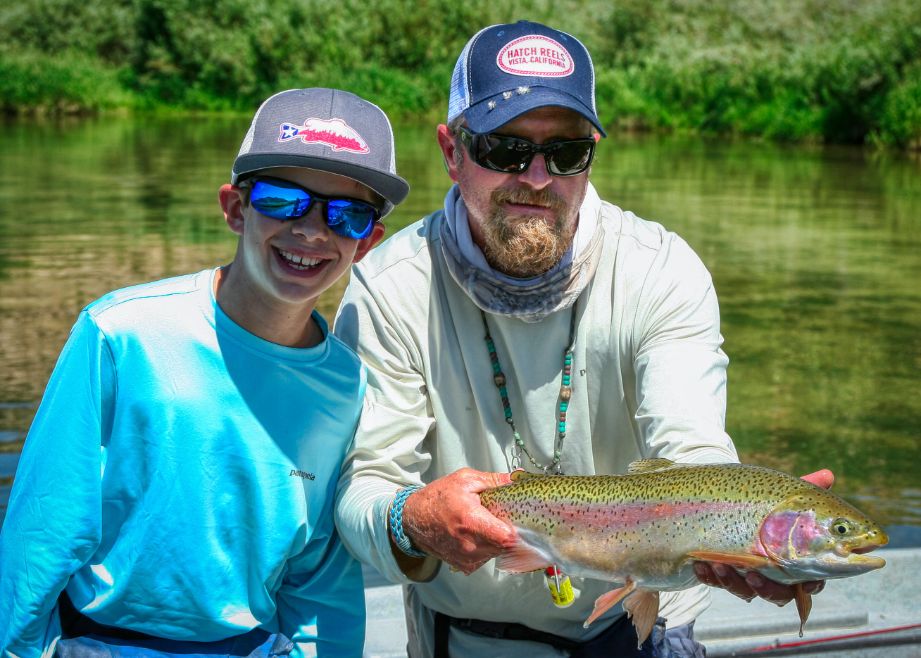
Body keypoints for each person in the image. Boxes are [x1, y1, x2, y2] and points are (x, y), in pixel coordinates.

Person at [333, 21, 828, 658]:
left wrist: (747, 533)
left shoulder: (662, 271)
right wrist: (412, 519)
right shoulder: (388, 288)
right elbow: (363, 491)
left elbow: (691, 454)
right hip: (466, 636)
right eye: (504, 149)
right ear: (451, 152)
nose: (537, 178)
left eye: (566, 153)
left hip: (644, 622)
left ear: (591, 154)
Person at [0, 87, 408, 658]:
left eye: (347, 214)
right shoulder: (121, 333)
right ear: (236, 209)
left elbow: (319, 579)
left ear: (366, 242)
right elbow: (42, 535)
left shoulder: (347, 384)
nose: (313, 231)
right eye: (282, 200)